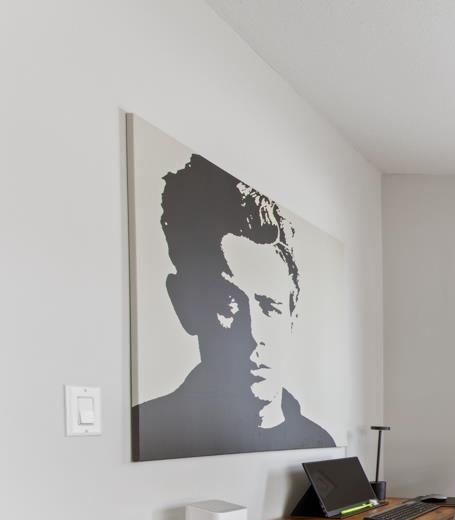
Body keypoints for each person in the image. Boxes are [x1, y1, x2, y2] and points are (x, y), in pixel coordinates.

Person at [132, 155, 335, 460]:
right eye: (229, 305)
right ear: (184, 304)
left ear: (293, 313)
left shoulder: (320, 442)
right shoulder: (151, 430)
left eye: (270, 306)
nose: (254, 336)